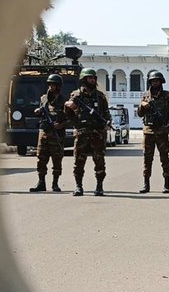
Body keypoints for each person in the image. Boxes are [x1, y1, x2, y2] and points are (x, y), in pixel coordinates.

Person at [64, 68, 111, 197]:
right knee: (79, 162)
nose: (93, 80)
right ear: (84, 80)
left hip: (97, 134)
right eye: (90, 78)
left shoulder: (100, 96)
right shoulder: (76, 96)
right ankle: (78, 186)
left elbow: (106, 114)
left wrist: (107, 123)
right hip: (81, 134)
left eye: (94, 78)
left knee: (99, 161)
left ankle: (99, 186)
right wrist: (76, 123)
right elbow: (68, 112)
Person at [137, 70, 169, 193]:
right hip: (148, 132)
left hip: (162, 132)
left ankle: (166, 184)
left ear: (161, 82)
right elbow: (139, 114)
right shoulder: (145, 96)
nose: (155, 82)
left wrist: (167, 125)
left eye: (157, 80)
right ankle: (146, 184)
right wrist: (142, 106)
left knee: (164, 158)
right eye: (153, 81)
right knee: (147, 159)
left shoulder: (167, 95)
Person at [29, 74, 67, 193]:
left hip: (56, 134)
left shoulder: (63, 101)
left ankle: (55, 183)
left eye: (54, 85)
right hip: (44, 132)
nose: (51, 87)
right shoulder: (43, 98)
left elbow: (69, 118)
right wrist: (38, 111)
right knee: (41, 158)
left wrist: (61, 125)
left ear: (58, 86)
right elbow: (41, 111)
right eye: (50, 84)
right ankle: (41, 182)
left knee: (57, 159)